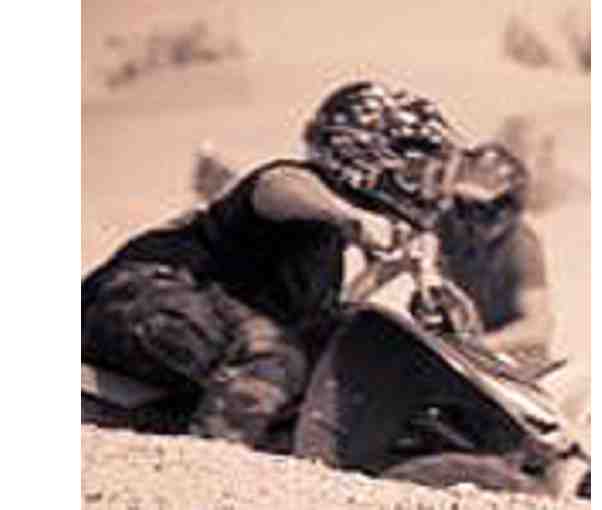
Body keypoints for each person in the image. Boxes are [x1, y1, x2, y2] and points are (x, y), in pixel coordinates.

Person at [81, 80, 454, 449]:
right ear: (361, 155)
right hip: (138, 291)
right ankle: (213, 471)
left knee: (322, 361)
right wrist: (348, 217)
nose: (429, 189)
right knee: (273, 357)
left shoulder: (324, 253)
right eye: (416, 174)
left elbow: (319, 320)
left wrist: (389, 277)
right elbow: (278, 186)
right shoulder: (296, 184)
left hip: (189, 313)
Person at [435, 141, 555, 373]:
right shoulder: (450, 223)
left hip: (511, 364)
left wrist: (477, 346)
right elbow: (395, 260)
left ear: (508, 210)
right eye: (462, 206)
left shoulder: (520, 246)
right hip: (460, 348)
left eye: (482, 211)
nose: (471, 220)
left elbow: (538, 326)